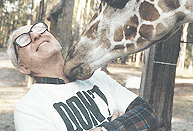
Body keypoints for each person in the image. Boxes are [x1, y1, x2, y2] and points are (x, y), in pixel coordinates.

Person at [7, 21, 158, 131]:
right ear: (23, 68)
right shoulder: (29, 108)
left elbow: (148, 115)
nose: (35, 35)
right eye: (23, 40)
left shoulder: (98, 78)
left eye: (38, 29)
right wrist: (124, 125)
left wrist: (106, 130)